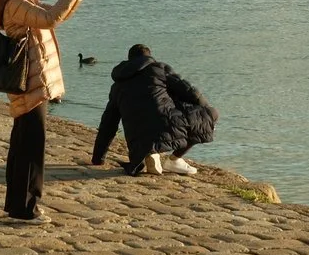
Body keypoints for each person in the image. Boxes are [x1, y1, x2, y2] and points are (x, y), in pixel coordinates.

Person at [0, 0, 89, 223]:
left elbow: (56, 14)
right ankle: (26, 207)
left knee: (22, 145)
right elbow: (50, 19)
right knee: (31, 148)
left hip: (31, 84)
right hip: (31, 85)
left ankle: (17, 204)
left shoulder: (23, 2)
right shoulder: (16, 4)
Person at [92, 45, 216, 176]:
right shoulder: (159, 69)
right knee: (211, 114)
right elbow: (191, 92)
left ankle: (151, 152)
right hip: (166, 125)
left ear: (129, 60)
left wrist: (98, 158)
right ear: (150, 57)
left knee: (149, 120)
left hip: (136, 140)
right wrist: (207, 114)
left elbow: (108, 124)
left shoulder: (117, 86)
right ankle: (174, 160)